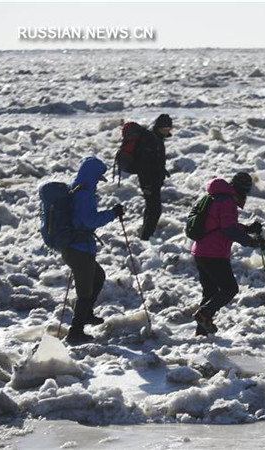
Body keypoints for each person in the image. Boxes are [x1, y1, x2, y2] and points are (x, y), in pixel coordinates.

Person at [191, 172, 265, 336]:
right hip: (214, 253)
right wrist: (250, 242)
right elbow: (228, 229)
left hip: (201, 251)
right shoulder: (227, 202)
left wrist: (247, 229)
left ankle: (201, 333)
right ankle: (204, 314)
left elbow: (223, 224)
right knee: (230, 288)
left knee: (210, 292)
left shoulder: (215, 198)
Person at [63, 156, 125, 344]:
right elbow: (89, 221)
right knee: (85, 291)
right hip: (79, 249)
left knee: (98, 277)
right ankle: (75, 331)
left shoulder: (77, 189)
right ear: (92, 175)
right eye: (98, 178)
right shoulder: (83, 195)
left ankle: (86, 314)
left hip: (76, 247)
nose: (98, 183)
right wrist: (112, 213)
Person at [137, 113, 173, 241]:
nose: (168, 131)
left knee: (151, 208)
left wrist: (162, 170)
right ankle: (146, 237)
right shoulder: (151, 140)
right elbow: (144, 164)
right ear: (159, 127)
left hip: (154, 179)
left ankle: (144, 235)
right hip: (149, 181)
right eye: (166, 128)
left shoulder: (157, 138)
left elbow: (155, 160)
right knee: (155, 210)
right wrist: (147, 184)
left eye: (169, 128)